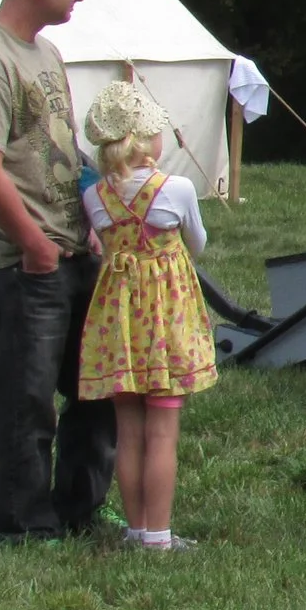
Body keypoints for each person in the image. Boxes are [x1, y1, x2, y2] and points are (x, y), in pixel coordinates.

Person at [0, 0, 117, 546]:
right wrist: (35, 244)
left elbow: (62, 151)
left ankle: (80, 509)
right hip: (24, 261)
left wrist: (91, 223)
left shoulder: (44, 54)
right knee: (28, 397)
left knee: (99, 386)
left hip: (74, 247)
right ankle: (23, 520)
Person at [76, 80, 217, 550]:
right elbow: (197, 243)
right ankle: (157, 536)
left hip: (117, 318)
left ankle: (137, 529)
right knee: (162, 430)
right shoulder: (175, 189)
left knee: (128, 428)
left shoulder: (95, 196)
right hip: (166, 317)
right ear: (143, 139)